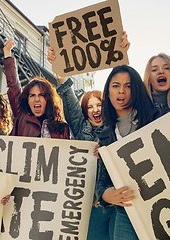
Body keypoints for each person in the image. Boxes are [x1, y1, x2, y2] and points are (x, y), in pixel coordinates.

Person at [48, 32, 130, 240]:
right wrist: (59, 70)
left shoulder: (120, 128)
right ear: (84, 112)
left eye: (99, 105)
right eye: (90, 107)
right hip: (91, 206)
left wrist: (121, 56)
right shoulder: (81, 127)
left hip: (121, 204)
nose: (95, 110)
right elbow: (67, 93)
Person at [95, 65, 156, 240]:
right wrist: (106, 195)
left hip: (163, 204)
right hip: (126, 212)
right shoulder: (104, 136)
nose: (121, 91)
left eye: (128, 86)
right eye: (115, 86)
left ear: (136, 90)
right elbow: (102, 182)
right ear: (107, 92)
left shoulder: (157, 117)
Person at [3, 38, 70, 139]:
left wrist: (57, 64)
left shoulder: (62, 128)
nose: (36, 99)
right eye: (32, 95)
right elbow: (13, 86)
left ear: (48, 99)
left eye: (41, 95)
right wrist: (7, 53)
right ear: (27, 99)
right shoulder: (21, 117)